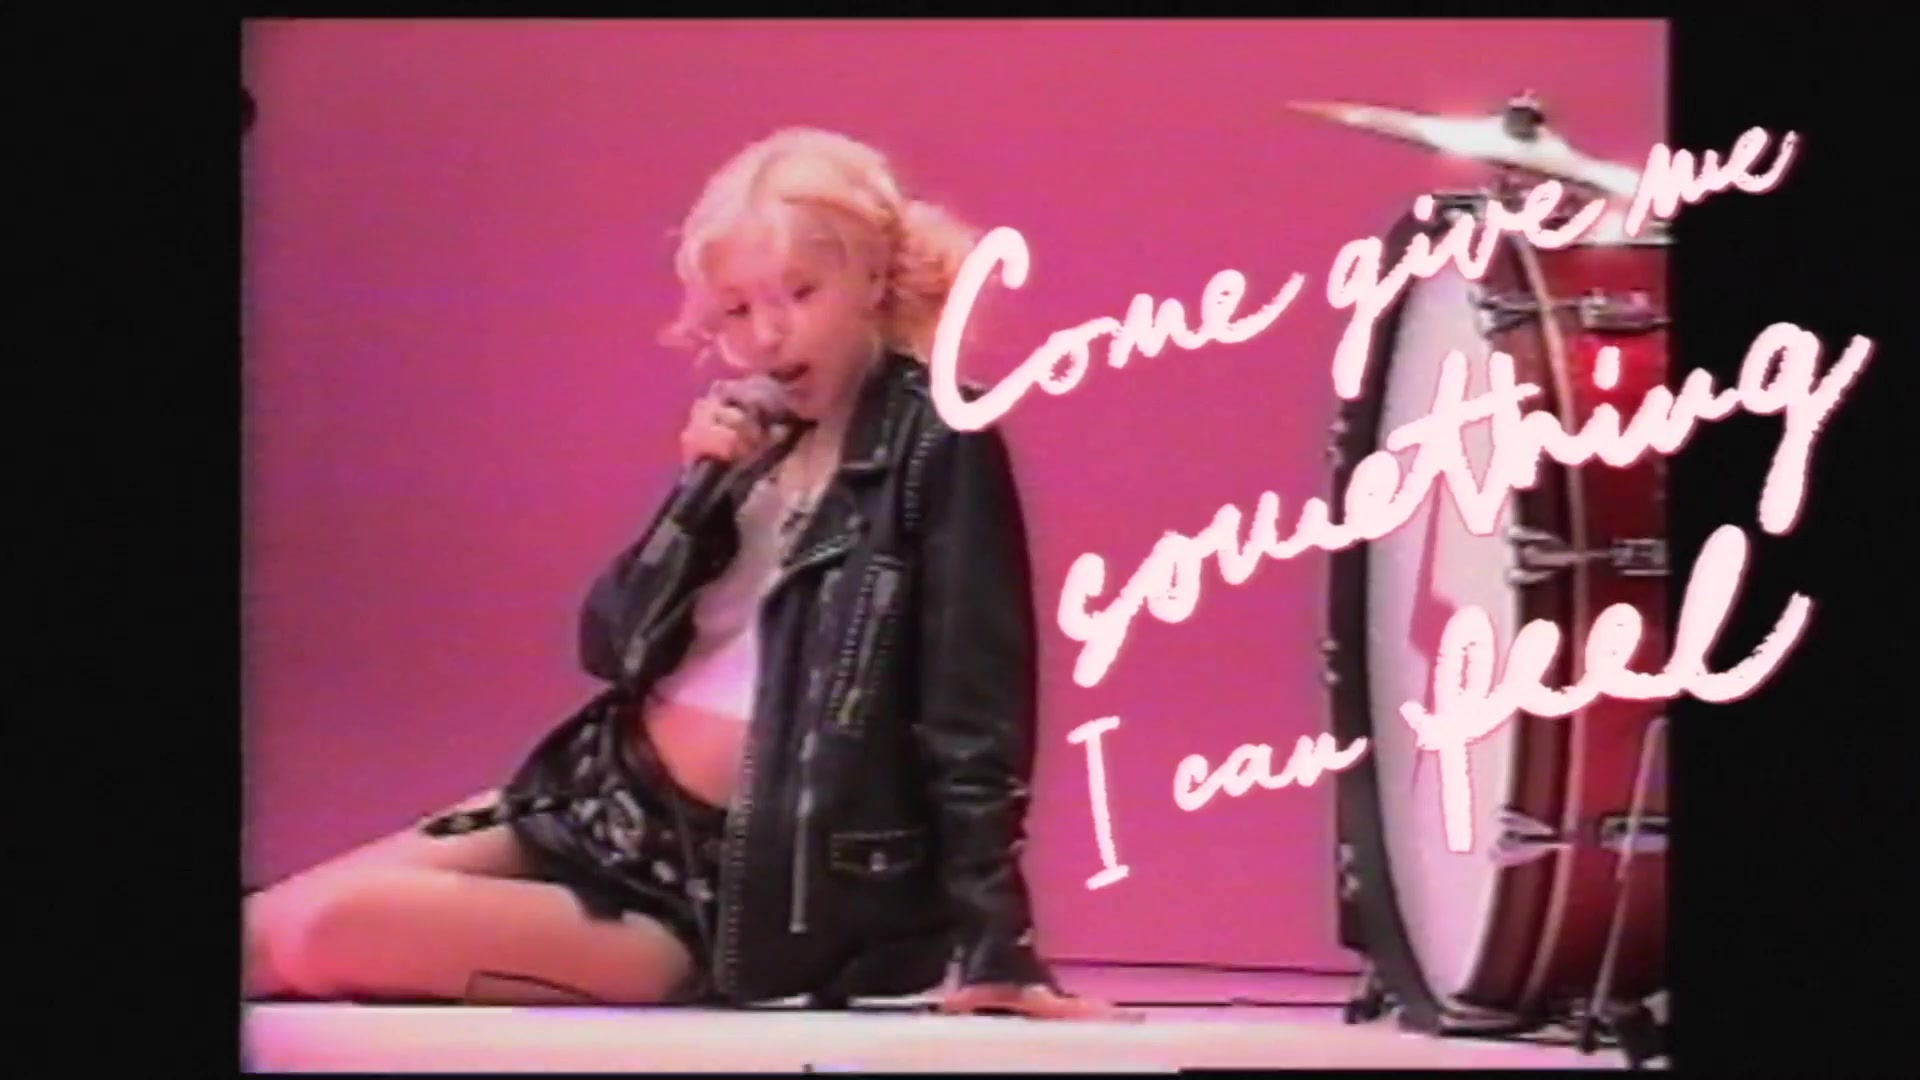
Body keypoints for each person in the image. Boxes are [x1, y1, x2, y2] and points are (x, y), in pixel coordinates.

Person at [244, 127, 1114, 1020]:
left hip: (724, 896)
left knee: (323, 932)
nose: (768, 333)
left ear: (872, 278)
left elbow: (976, 716)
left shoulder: (939, 438)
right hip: (595, 800)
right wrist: (696, 500)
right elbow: (610, 647)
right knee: (257, 932)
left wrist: (998, 946)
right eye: (736, 310)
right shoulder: (752, 440)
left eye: (800, 294)